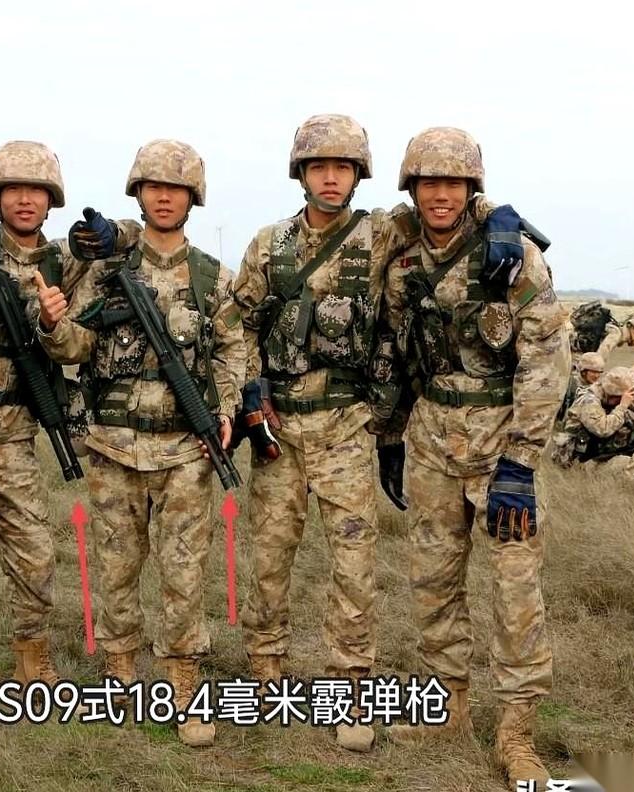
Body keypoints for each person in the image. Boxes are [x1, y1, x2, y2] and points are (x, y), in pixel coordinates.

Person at [230, 115, 511, 752]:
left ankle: (351, 687)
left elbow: (445, 208)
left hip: (347, 431)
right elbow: (236, 323)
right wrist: (250, 390)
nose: (331, 178)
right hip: (280, 432)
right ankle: (266, 674)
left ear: (359, 175)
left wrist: (500, 215)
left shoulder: (383, 232)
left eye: (343, 167)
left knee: (354, 568)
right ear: (300, 174)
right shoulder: (268, 245)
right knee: (269, 560)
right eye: (319, 167)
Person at [379, 127, 568, 791]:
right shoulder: (402, 258)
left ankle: (517, 735)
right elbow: (400, 353)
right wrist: (391, 436)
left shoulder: (512, 255)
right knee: (432, 583)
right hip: (431, 442)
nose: (441, 194)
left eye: (455, 183)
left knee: (515, 591)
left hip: (499, 449)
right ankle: (447, 708)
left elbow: (545, 361)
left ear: (472, 188)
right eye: (429, 181)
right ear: (412, 187)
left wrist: (521, 463)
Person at [37, 139, 243, 747]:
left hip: (185, 452)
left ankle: (183, 683)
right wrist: (52, 322)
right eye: (154, 187)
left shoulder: (212, 277)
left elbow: (232, 352)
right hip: (113, 447)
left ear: (192, 198)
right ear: (139, 194)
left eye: (175, 189)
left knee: (184, 571)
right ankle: (120, 673)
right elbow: (76, 345)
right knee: (117, 565)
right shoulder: (105, 270)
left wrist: (226, 409)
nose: (163, 197)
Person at [0, 141, 137, 699]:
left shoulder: (64, 261)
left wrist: (110, 234)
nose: (24, 200)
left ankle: (33, 661)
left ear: (51, 200)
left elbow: (138, 240)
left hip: (15, 432)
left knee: (35, 556)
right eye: (13, 189)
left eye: (36, 191)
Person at [553, 367, 634, 468]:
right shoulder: (588, 401)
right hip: (573, 458)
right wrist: (622, 406)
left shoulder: (607, 395)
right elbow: (603, 429)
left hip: (594, 449)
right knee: (625, 464)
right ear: (615, 394)